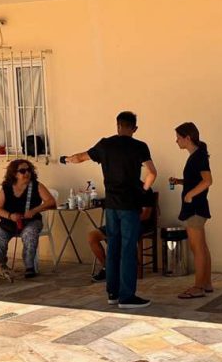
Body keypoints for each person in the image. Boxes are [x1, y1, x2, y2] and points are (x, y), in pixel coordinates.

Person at [62, 111, 157, 309]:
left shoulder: (105, 145)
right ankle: (127, 297)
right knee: (128, 250)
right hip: (130, 205)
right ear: (135, 128)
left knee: (113, 247)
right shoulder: (140, 146)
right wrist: (143, 191)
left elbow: (80, 157)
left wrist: (66, 159)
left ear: (118, 125)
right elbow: (152, 173)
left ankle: (112, 293)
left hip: (112, 205)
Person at [169, 122, 213, 299]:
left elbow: (208, 180)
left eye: (178, 137)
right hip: (195, 207)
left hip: (195, 208)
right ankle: (206, 283)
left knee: (197, 248)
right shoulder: (195, 156)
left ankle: (198, 287)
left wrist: (190, 194)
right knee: (201, 247)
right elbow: (196, 180)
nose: (176, 141)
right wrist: (180, 182)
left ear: (187, 138)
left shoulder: (199, 156)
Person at [0, 159, 56, 278]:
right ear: (14, 174)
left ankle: (29, 266)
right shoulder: (6, 188)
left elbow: (51, 202)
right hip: (8, 223)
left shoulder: (36, 186)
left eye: (29, 170)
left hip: (31, 222)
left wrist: (34, 211)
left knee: (30, 234)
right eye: (22, 171)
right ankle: (0, 265)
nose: (27, 173)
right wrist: (10, 216)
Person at [88, 185, 155, 282]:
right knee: (92, 236)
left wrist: (126, 219)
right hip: (119, 223)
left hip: (137, 223)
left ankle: (124, 269)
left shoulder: (145, 188)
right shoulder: (119, 188)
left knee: (120, 238)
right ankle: (108, 268)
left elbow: (145, 215)